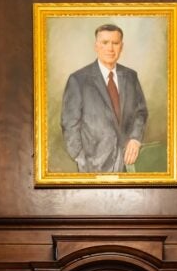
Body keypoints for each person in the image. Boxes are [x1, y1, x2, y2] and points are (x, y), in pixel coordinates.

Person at [60, 23, 148, 173]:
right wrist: (80, 157)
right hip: (92, 167)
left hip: (127, 165)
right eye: (105, 43)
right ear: (96, 46)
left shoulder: (131, 76)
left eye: (115, 43)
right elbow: (69, 124)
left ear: (122, 46)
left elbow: (141, 112)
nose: (110, 48)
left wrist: (135, 138)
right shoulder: (78, 80)